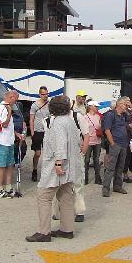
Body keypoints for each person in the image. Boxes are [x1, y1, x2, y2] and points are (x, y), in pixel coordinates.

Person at [25, 95, 81, 242]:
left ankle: (44, 232)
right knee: (66, 197)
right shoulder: (70, 121)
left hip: (58, 166)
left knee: (44, 196)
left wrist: (58, 164)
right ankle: (67, 229)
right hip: (70, 166)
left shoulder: (57, 123)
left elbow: (60, 144)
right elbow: (78, 141)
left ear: (52, 108)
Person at [52, 100, 89, 223]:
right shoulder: (53, 119)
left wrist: (83, 151)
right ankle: (57, 211)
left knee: (77, 184)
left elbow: (86, 134)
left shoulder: (77, 116)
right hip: (60, 155)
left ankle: (79, 211)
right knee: (59, 184)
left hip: (75, 154)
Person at [0, 90, 24, 198]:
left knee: (10, 165)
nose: (16, 101)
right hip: (1, 141)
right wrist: (10, 112)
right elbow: (4, 124)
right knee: (1, 166)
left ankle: (8, 187)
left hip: (9, 141)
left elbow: (9, 126)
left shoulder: (7, 107)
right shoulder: (2, 108)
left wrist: (16, 134)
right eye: (16, 99)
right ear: (11, 97)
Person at [102, 97, 129, 197]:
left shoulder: (123, 115)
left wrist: (130, 108)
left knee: (120, 166)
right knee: (111, 167)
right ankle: (106, 188)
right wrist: (112, 143)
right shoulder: (110, 115)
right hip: (116, 144)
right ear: (120, 104)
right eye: (125, 104)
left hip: (123, 144)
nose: (127, 106)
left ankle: (117, 186)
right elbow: (107, 130)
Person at [29, 86, 50, 182]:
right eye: (43, 94)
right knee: (37, 153)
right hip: (37, 131)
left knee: (48, 154)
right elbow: (31, 119)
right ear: (40, 94)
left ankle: (46, 173)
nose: (46, 96)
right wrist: (32, 132)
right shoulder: (34, 105)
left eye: (47, 94)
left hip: (47, 131)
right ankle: (34, 170)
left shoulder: (50, 104)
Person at [84, 100, 102, 185]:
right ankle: (85, 177)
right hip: (89, 141)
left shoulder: (98, 117)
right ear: (91, 107)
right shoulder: (85, 117)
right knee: (87, 160)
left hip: (97, 141)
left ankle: (97, 178)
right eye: (96, 106)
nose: (97, 108)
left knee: (96, 160)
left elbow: (99, 126)